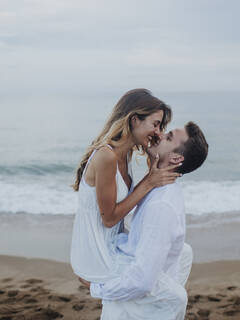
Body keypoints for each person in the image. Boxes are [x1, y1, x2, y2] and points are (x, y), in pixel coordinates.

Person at [81, 122, 209, 320]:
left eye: (168, 137)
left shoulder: (162, 204)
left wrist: (96, 286)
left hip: (133, 308)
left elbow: (142, 281)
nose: (159, 134)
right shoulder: (157, 187)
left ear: (176, 158)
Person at [70, 89, 182, 283]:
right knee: (165, 286)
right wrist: (149, 182)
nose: (158, 132)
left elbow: (149, 186)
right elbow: (110, 219)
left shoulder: (125, 152)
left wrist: (153, 154)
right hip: (97, 255)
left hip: (115, 243)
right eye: (155, 124)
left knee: (177, 253)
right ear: (134, 120)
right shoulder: (107, 156)